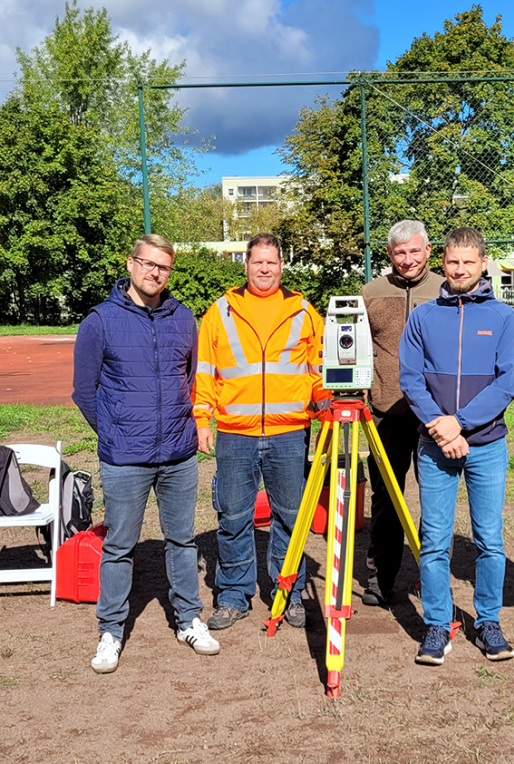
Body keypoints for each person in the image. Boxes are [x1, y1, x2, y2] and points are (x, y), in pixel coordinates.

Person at [73, 234, 219, 674]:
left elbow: (191, 379)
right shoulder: (99, 320)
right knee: (119, 546)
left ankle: (189, 618)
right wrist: (116, 433)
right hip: (124, 458)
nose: (155, 272)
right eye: (148, 263)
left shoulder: (182, 319)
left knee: (182, 540)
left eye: (164, 267)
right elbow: (84, 391)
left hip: (177, 453)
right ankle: (111, 631)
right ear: (131, 263)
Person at [193, 233, 329, 631]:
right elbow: (204, 372)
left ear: (282, 265)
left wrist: (325, 408)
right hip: (236, 433)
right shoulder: (220, 312)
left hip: (290, 433)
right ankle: (233, 596)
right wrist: (203, 419)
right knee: (233, 516)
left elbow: (318, 369)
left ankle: (288, 593)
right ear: (246, 264)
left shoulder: (305, 312)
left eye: (272, 262)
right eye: (257, 262)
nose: (265, 269)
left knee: (291, 518)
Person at [399, 227, 514, 665]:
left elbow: (508, 382)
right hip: (435, 446)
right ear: (443, 264)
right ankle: (438, 624)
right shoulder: (423, 317)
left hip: (486, 446)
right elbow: (410, 378)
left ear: (483, 264)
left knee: (489, 538)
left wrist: (461, 425)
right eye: (453, 262)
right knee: (433, 540)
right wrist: (440, 428)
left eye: (469, 262)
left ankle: (488, 621)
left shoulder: (503, 317)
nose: (460, 270)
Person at [360, 220, 444, 607]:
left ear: (428, 250)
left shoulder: (446, 289)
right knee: (386, 496)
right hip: (385, 410)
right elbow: (358, 348)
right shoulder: (370, 293)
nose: (407, 260)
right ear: (389, 255)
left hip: (435, 411)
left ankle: (432, 578)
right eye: (399, 253)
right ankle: (381, 577)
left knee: (436, 498)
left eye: (414, 251)